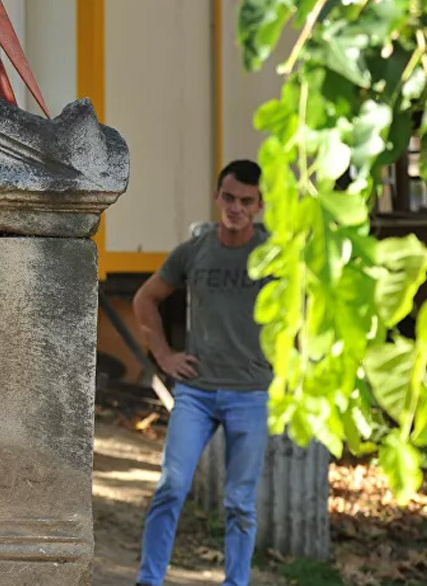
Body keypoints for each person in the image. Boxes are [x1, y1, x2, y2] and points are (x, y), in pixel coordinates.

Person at [132, 159, 270, 586]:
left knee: (240, 504)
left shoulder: (273, 255)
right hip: (197, 391)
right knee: (171, 487)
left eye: (246, 201)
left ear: (259, 205)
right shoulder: (196, 249)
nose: (236, 208)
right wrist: (165, 356)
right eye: (229, 198)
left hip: (250, 392)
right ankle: (148, 580)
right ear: (217, 197)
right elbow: (144, 299)